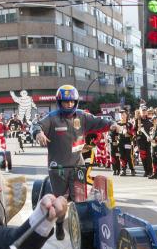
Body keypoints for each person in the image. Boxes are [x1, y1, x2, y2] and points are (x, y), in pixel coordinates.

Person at [31, 85, 117, 240]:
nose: (69, 105)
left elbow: (100, 122)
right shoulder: (52, 118)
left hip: (77, 165)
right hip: (58, 169)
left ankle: (81, 229)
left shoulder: (82, 116)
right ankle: (59, 224)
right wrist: (38, 133)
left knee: (80, 199)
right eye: (65, 102)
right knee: (61, 203)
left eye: (72, 102)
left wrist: (113, 125)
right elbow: (36, 125)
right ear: (59, 102)